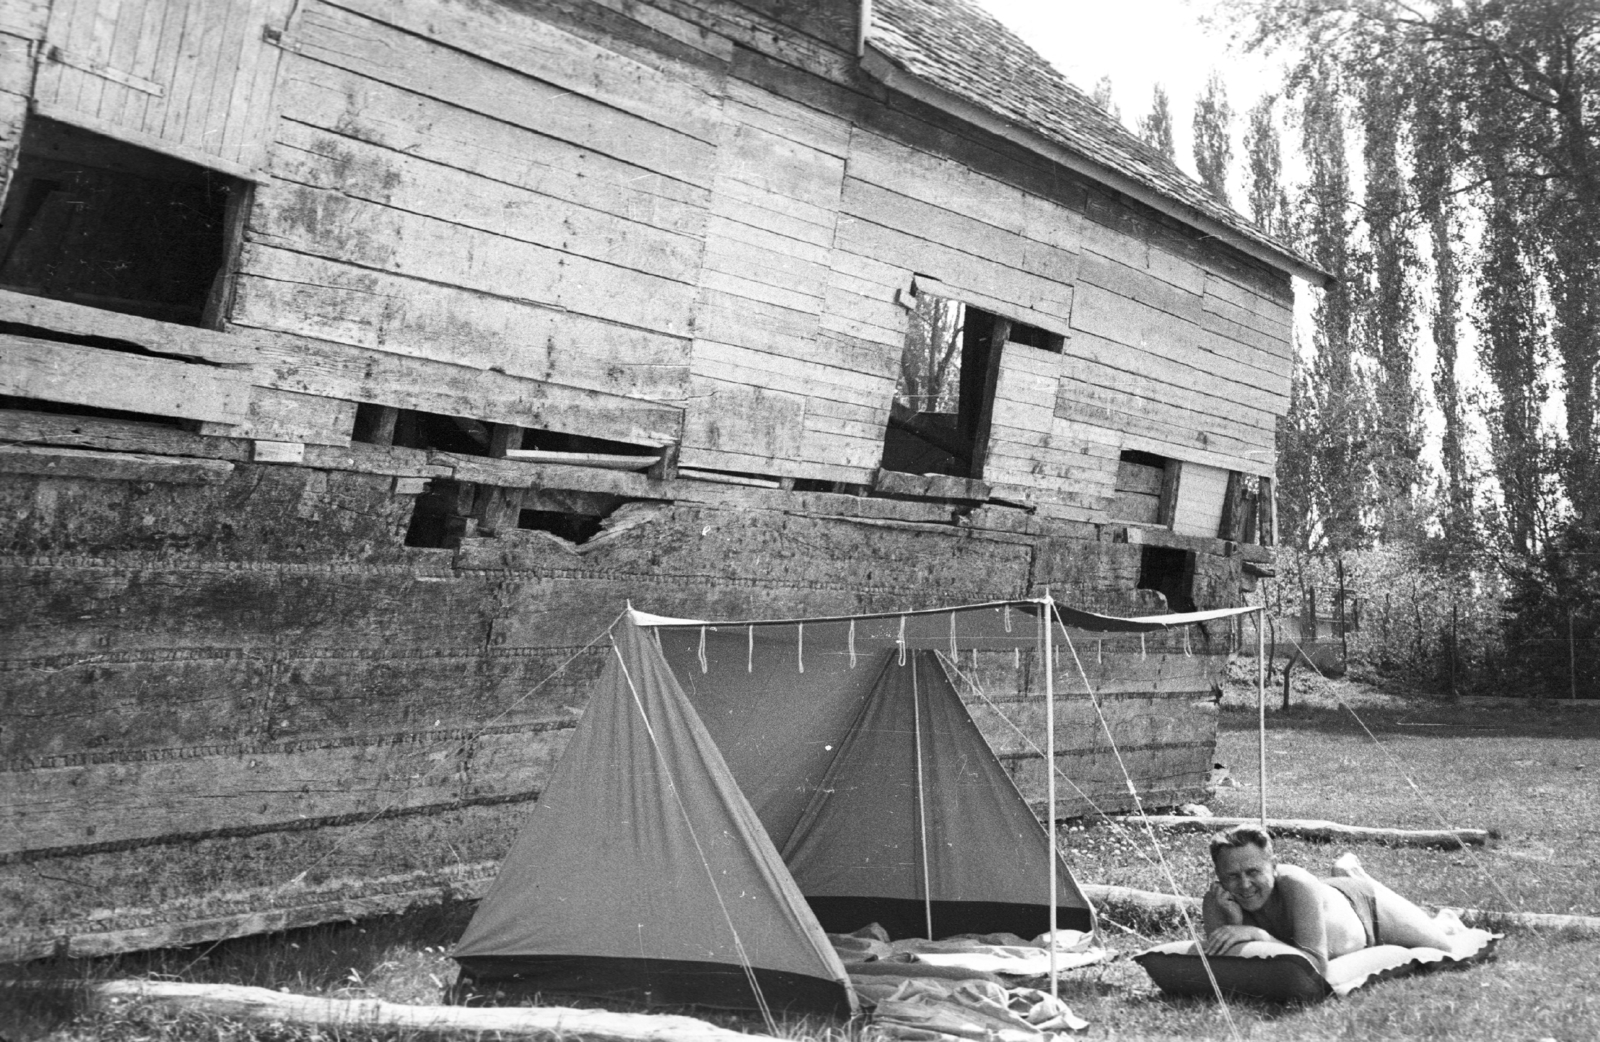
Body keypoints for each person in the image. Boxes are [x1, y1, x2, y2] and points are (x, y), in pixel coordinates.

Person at [1200, 824, 1466, 975]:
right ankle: (1346, 871)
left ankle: (1441, 919)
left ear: (1274, 865)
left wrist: (1258, 934)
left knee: (1445, 949)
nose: (1244, 884)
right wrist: (1234, 920)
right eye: (1232, 876)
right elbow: (1225, 970)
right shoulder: (1218, 900)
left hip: (1362, 908)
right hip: (1327, 901)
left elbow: (1316, 965)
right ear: (1218, 875)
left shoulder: (1297, 884)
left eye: (1254, 872)